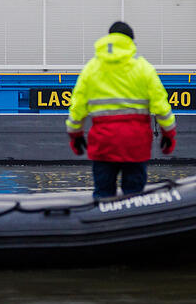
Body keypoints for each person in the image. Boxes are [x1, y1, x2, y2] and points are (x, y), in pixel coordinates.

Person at [66, 21, 177, 199]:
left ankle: (101, 223)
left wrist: (75, 136)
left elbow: (77, 108)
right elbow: (162, 108)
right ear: (131, 42)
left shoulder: (91, 69)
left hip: (103, 145)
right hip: (135, 145)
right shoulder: (144, 69)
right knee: (134, 197)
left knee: (103, 195)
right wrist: (168, 135)